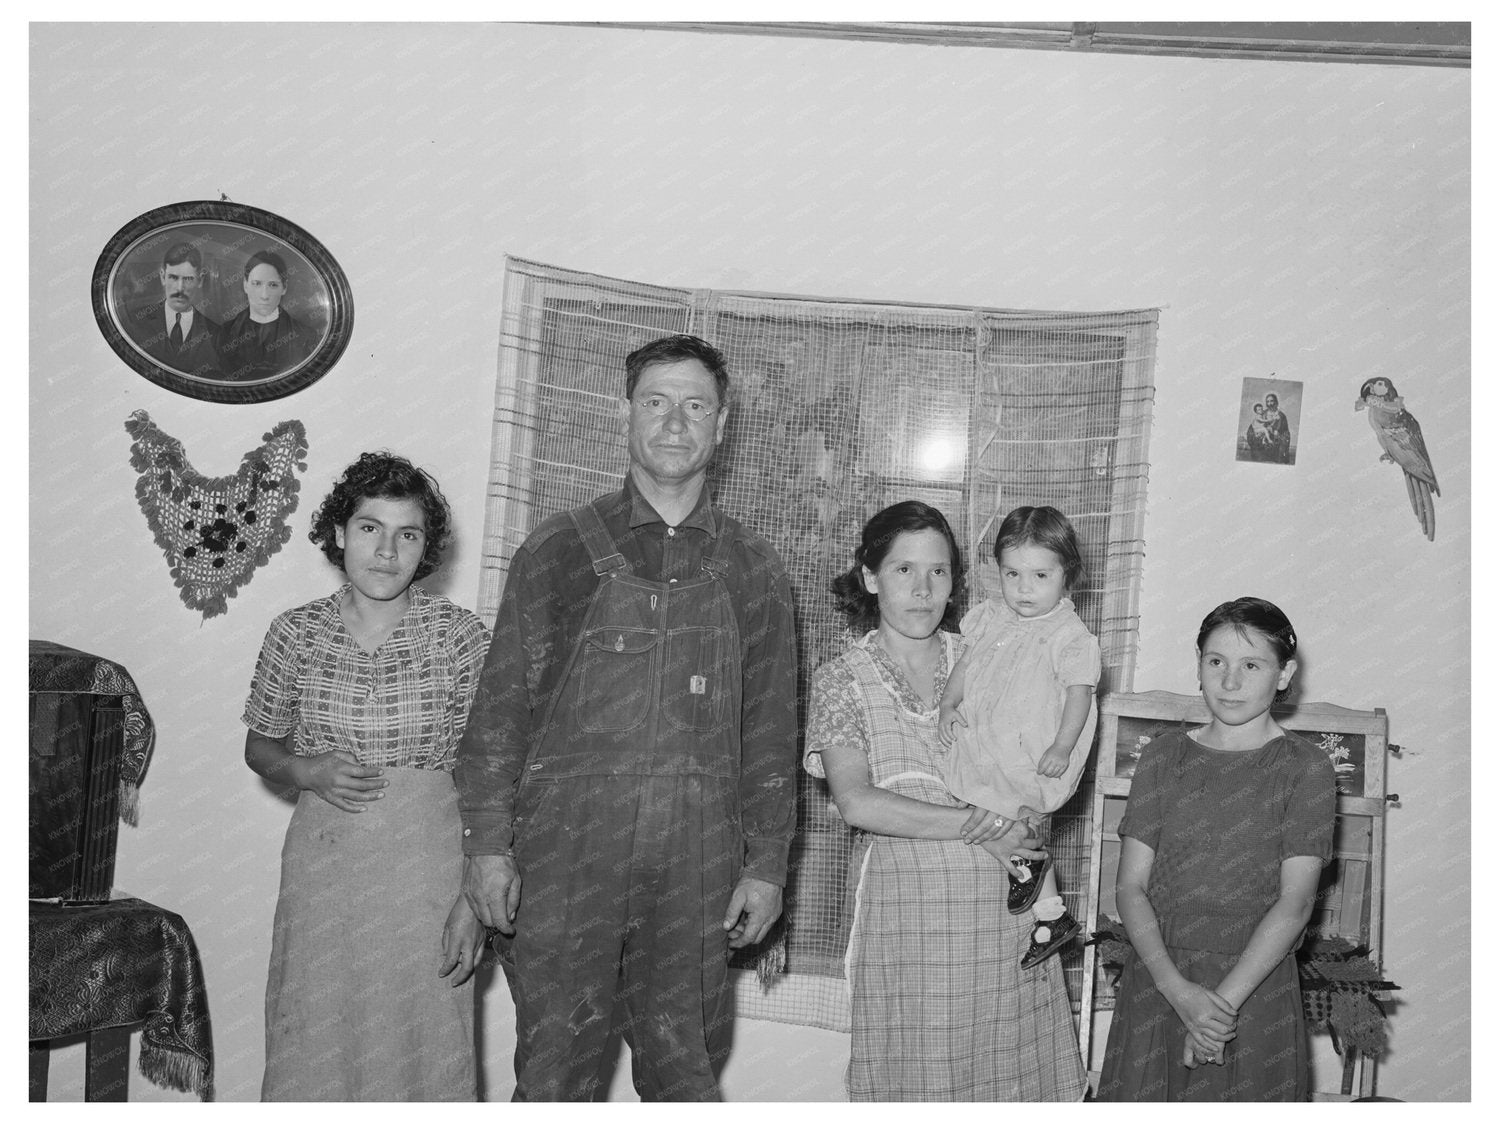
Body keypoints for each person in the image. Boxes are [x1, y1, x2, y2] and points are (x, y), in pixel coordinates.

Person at [454, 334, 798, 1101]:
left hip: (697, 864)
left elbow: (772, 736)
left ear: (723, 423)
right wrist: (485, 846)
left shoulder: (756, 569)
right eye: (656, 402)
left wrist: (766, 866)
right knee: (553, 1078)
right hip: (565, 859)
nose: (675, 422)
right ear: (625, 412)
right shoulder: (555, 552)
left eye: (695, 405)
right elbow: (500, 713)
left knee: (684, 1075)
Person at [804, 501, 1087, 1101]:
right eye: (903, 570)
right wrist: (982, 824)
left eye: (938, 571)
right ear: (870, 576)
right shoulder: (841, 679)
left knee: (1008, 1083)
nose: (923, 588)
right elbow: (859, 803)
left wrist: (1033, 812)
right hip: (911, 929)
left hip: (1007, 923)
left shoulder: (991, 650)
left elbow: (1042, 756)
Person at [242, 452, 491, 1100]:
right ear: (339, 535)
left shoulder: (461, 638)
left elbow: (494, 778)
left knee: (425, 1043)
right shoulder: (295, 633)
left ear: (425, 547)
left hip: (428, 875)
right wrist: (303, 768)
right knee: (315, 1042)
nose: (387, 550)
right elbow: (259, 747)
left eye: (407, 534)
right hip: (327, 876)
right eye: (371, 528)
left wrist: (474, 900)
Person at [1096, 596, 1335, 1102]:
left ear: (1285, 674)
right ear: (1199, 665)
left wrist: (1215, 1013)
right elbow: (1130, 887)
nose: (1230, 682)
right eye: (1216, 662)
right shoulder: (1163, 757)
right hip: (1160, 980)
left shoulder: (1305, 768)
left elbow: (1294, 904)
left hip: (1252, 988)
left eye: (1252, 665)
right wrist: (1178, 992)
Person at [936, 505, 1100, 969]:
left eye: (1041, 575)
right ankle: (1049, 912)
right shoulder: (991, 617)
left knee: (1014, 807)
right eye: (1013, 574)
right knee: (992, 805)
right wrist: (949, 704)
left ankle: (1045, 902)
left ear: (1068, 576)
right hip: (989, 737)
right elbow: (965, 667)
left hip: (1031, 745)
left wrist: (1062, 746)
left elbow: (1079, 696)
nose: (1024, 588)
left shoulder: (1070, 635)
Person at [217, 249, 316, 382]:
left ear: (284, 288)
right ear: (245, 285)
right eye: (257, 284)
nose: (264, 295)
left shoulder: (306, 336)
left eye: (273, 285)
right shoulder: (225, 332)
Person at [126, 241, 220, 377]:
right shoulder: (135, 321)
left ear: (200, 280)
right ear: (163, 277)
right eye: (173, 278)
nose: (180, 288)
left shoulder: (215, 333)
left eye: (188, 279)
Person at [1261, 393, 1292, 463]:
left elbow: (1285, 432)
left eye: (1272, 401)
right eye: (1267, 401)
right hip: (1266, 438)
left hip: (1278, 440)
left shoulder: (1281, 415)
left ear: (1276, 402)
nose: (1270, 403)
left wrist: (1276, 432)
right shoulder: (1263, 413)